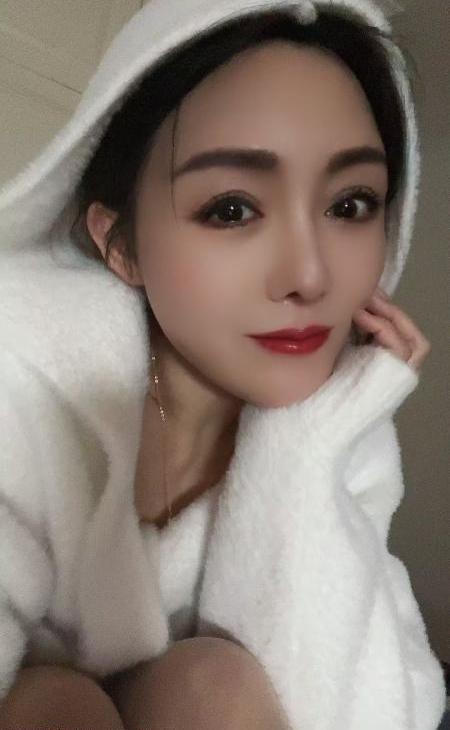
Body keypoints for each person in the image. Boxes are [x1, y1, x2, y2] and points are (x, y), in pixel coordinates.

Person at [0, 0, 446, 728]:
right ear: (120, 245)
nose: (309, 275)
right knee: (53, 705)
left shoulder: (345, 428)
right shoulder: (22, 373)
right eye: (233, 209)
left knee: (213, 685)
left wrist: (308, 442)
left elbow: (371, 706)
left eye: (351, 204)